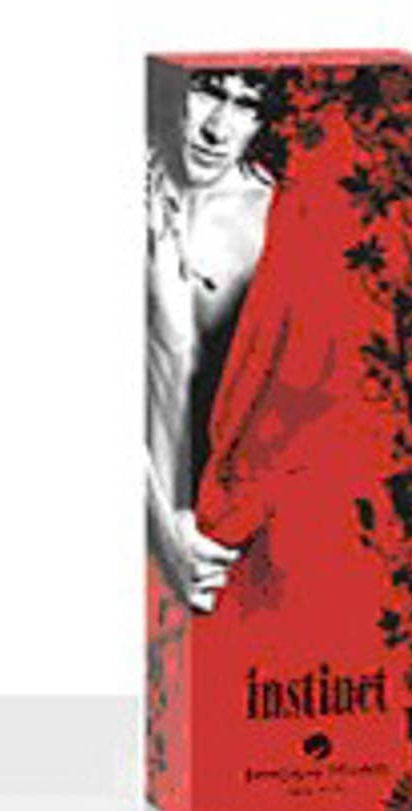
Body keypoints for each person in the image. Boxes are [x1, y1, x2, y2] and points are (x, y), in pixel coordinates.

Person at [146, 69, 275, 612]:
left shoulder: (270, 219)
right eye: (210, 92)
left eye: (247, 105)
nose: (217, 129)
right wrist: (163, 527)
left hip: (214, 527)